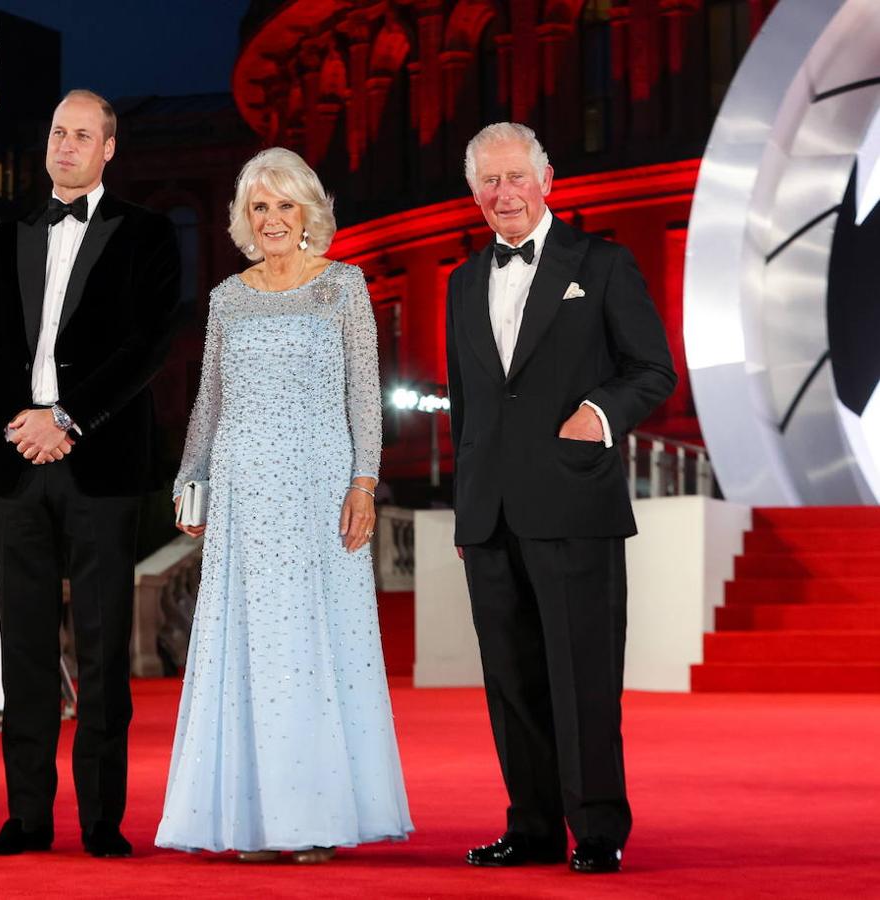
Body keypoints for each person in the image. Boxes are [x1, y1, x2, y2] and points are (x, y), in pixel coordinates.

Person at [154, 147, 413, 862]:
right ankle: (255, 820)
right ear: (245, 217)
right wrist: (191, 479)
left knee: (313, 647)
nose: (271, 219)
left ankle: (317, 817)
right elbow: (209, 400)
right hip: (243, 493)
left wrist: (365, 481)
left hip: (319, 491)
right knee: (250, 649)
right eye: (259, 207)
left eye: (284, 205)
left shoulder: (344, 288)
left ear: (308, 212)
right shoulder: (228, 298)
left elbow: (365, 393)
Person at [446, 123, 676, 875]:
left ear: (547, 178)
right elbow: (468, 403)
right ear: (475, 191)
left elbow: (651, 369)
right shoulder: (460, 281)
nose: (502, 193)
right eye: (489, 181)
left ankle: (598, 828)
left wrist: (600, 417)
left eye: (515, 177)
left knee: (582, 675)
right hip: (490, 513)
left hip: (576, 503)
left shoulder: (601, 265)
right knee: (511, 682)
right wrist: (464, 503)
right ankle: (533, 826)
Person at [0, 89, 181, 859]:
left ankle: (100, 819)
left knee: (101, 649)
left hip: (103, 463)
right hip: (19, 460)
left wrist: (70, 418)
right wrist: (17, 421)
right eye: (58, 132)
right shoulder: (7, 233)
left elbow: (147, 346)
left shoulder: (148, 234)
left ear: (108, 149)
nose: (67, 145)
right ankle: (25, 817)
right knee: (22, 650)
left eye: (83, 135)